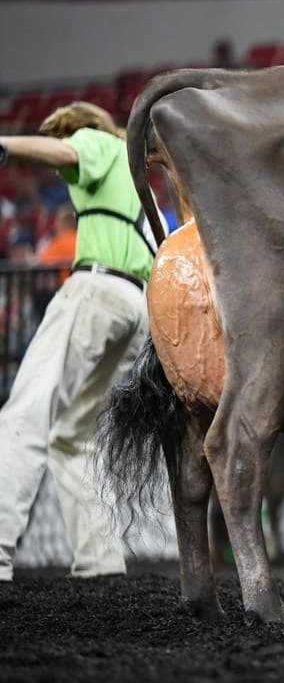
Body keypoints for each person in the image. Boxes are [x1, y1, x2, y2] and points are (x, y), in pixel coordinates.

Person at [0, 102, 156, 582]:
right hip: (138, 309)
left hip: (95, 290)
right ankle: (101, 560)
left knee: (24, 414)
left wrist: (5, 145)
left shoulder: (96, 141)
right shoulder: (138, 184)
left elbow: (66, 152)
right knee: (75, 435)